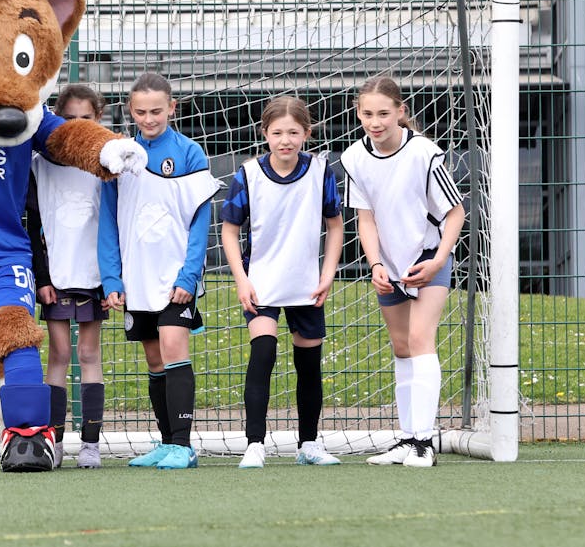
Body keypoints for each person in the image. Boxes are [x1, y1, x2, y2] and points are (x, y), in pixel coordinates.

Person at [340, 75, 465, 468]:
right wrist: (375, 264)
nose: (375, 122)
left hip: (428, 256)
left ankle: (425, 443)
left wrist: (439, 260)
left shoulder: (425, 152)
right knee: (400, 346)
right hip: (389, 265)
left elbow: (456, 212)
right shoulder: (353, 158)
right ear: (358, 115)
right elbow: (366, 219)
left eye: (383, 113)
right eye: (367, 114)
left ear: (401, 112)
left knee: (419, 337)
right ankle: (407, 438)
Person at [98, 72, 220, 470]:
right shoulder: (119, 155)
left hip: (174, 280)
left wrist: (190, 276)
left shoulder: (189, 154)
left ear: (172, 107)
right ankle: (166, 443)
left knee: (173, 350)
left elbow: (201, 221)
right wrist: (112, 278)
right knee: (154, 360)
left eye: (156, 111)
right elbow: (107, 224)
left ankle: (183, 446)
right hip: (136, 280)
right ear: (130, 111)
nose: (148, 119)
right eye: (140, 112)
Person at [219, 96, 344, 469]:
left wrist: (328, 274)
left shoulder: (322, 171)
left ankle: (308, 443)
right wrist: (241, 280)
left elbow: (335, 224)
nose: (285, 140)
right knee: (264, 354)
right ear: (265, 134)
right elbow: (229, 229)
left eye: (293, 132)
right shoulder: (248, 174)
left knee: (309, 364)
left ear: (307, 133)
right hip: (261, 279)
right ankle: (255, 443)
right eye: (277, 133)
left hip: (307, 282)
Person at [26, 84, 109, 469]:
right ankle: (54, 442)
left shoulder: (107, 168)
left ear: (99, 120)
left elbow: (114, 227)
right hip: (56, 277)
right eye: (70, 118)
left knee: (89, 354)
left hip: (95, 277)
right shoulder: (40, 165)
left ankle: (90, 444)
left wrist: (113, 279)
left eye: (86, 119)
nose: (78, 125)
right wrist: (42, 277)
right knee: (58, 355)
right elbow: (32, 226)